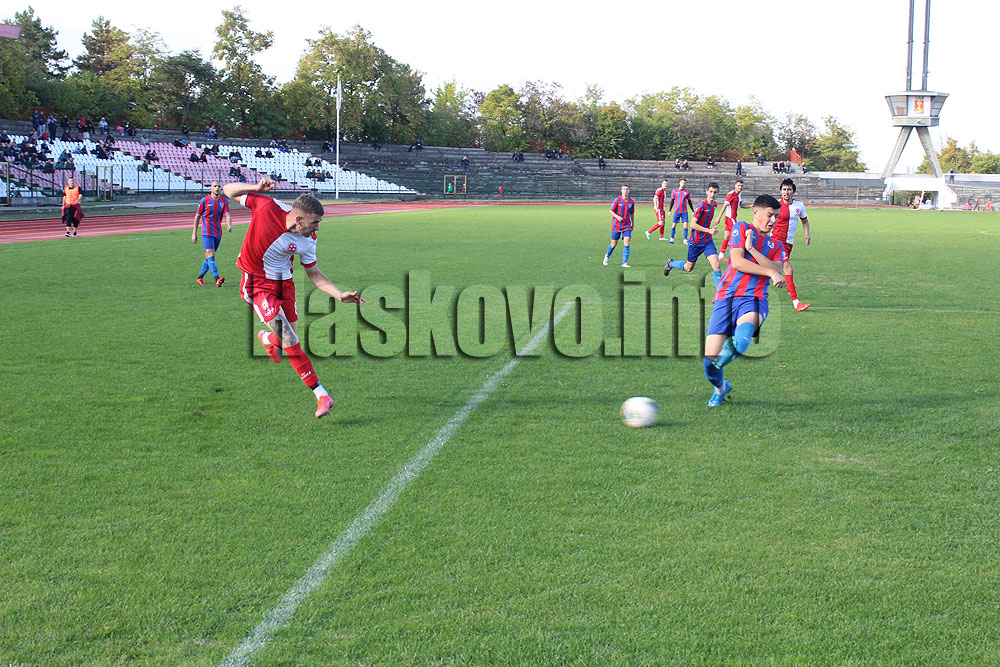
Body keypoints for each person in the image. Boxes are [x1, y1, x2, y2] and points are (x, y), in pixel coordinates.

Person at [223, 177, 364, 418]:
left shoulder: (308, 240)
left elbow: (314, 274)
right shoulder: (267, 207)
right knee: (289, 337)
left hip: (284, 284)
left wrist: (340, 295)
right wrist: (255, 188)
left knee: (288, 338)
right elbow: (228, 190)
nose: (317, 227)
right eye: (315, 222)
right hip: (257, 283)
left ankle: (267, 338)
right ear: (299, 220)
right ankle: (322, 394)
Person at [699, 194, 787, 406]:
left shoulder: (777, 245)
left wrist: (751, 249)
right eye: (769, 215)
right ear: (756, 212)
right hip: (726, 297)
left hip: (755, 299)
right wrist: (768, 270)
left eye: (776, 216)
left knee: (741, 338)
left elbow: (777, 269)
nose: (773, 220)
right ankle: (721, 388)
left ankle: (725, 362)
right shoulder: (742, 227)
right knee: (709, 365)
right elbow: (737, 262)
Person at [664, 182, 724, 287]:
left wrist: (710, 229)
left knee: (717, 264)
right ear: (706, 192)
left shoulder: (714, 205)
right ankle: (671, 263)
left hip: (707, 241)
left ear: (718, 194)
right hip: (696, 242)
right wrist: (708, 230)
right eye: (710, 191)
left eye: (715, 192)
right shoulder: (701, 206)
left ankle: (720, 293)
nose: (712, 194)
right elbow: (692, 224)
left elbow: (705, 222)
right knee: (688, 268)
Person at [773, 178, 811, 311]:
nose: (786, 192)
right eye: (784, 189)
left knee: (773, 269)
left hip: (788, 243)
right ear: (780, 191)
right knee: (788, 268)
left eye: (789, 189)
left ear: (793, 191)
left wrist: (807, 234)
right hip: (776, 241)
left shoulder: (799, 205)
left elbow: (804, 221)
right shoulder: (776, 205)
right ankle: (796, 302)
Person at [191, 181, 233, 286]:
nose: (217, 188)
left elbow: (228, 214)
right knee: (211, 254)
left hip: (218, 232)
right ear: (211, 188)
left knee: (208, 257)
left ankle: (200, 278)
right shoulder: (204, 201)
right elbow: (197, 216)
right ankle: (217, 278)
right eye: (215, 186)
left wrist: (229, 224)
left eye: (219, 186)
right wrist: (194, 233)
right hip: (207, 232)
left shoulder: (224, 201)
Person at [714, 179, 752, 260]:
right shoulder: (731, 194)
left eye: (741, 186)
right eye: (739, 185)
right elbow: (724, 206)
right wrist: (718, 217)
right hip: (730, 218)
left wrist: (750, 206)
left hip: (732, 218)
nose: (740, 187)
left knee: (727, 237)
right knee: (740, 233)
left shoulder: (739, 194)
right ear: (735, 186)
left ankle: (721, 255)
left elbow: (741, 205)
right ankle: (742, 254)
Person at [603, 184, 635, 268]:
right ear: (621, 190)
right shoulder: (617, 200)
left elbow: (632, 213)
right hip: (616, 225)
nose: (625, 191)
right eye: (624, 189)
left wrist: (633, 224)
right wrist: (617, 217)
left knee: (627, 241)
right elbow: (611, 211)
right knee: (613, 244)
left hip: (627, 225)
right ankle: (607, 256)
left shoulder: (631, 202)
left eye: (627, 189)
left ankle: (624, 262)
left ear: (629, 191)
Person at [668, 177, 695, 244]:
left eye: (684, 183)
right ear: (679, 183)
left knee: (685, 225)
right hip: (676, 211)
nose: (683, 184)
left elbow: (689, 201)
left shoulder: (687, 192)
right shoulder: (675, 191)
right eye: (682, 182)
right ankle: (671, 239)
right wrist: (670, 210)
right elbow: (672, 201)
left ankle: (685, 240)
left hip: (684, 211)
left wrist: (692, 210)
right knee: (674, 225)